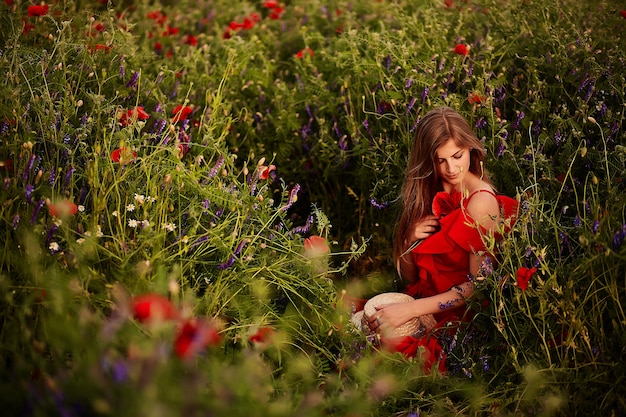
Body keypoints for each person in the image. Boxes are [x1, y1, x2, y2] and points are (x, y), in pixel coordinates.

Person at [362, 106, 518, 371]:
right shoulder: (428, 189)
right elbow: (411, 278)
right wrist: (409, 241)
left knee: (384, 362)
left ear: (471, 149)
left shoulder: (480, 203)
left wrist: (410, 311)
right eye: (440, 160)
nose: (451, 168)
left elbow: (478, 287)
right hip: (421, 302)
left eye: (457, 156)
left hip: (458, 316)